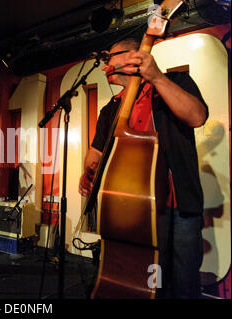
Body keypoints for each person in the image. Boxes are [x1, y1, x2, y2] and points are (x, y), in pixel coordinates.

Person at [78, 38, 208, 299]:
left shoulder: (175, 83)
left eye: (111, 58)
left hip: (178, 204)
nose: (107, 66)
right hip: (137, 212)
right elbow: (96, 153)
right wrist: (89, 171)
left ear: (133, 56)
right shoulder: (111, 109)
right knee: (152, 280)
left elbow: (197, 116)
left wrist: (157, 77)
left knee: (184, 282)